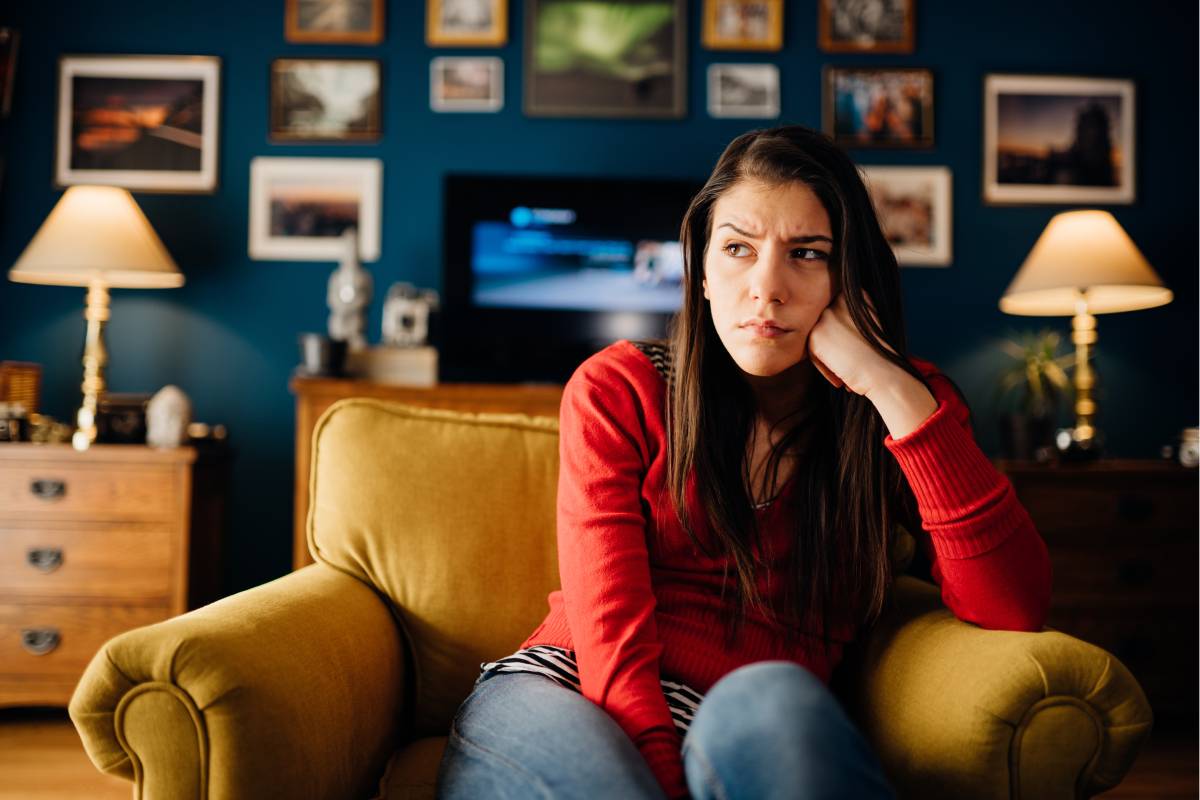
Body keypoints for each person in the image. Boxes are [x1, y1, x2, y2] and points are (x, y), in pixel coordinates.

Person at [434, 124, 1052, 800]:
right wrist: (663, 780)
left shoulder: (907, 407)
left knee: (772, 693)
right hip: (569, 688)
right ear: (699, 272)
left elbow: (1013, 606)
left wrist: (886, 383)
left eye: (807, 254)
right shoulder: (620, 388)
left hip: (753, 709)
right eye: (737, 249)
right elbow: (611, 634)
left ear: (850, 279)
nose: (767, 288)